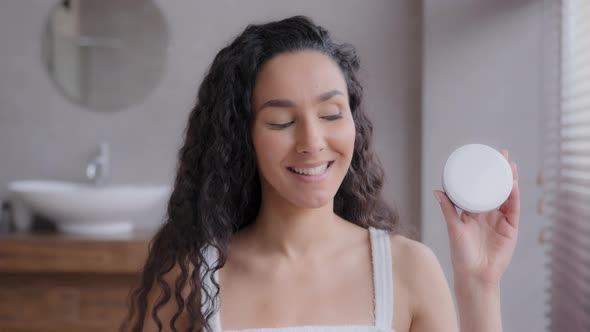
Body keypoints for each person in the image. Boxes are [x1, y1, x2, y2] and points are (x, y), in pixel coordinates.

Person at [121, 15, 520, 332]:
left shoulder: (409, 269)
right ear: (242, 137)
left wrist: (479, 284)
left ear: (353, 123)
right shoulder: (191, 278)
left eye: (331, 115)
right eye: (280, 121)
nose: (312, 142)